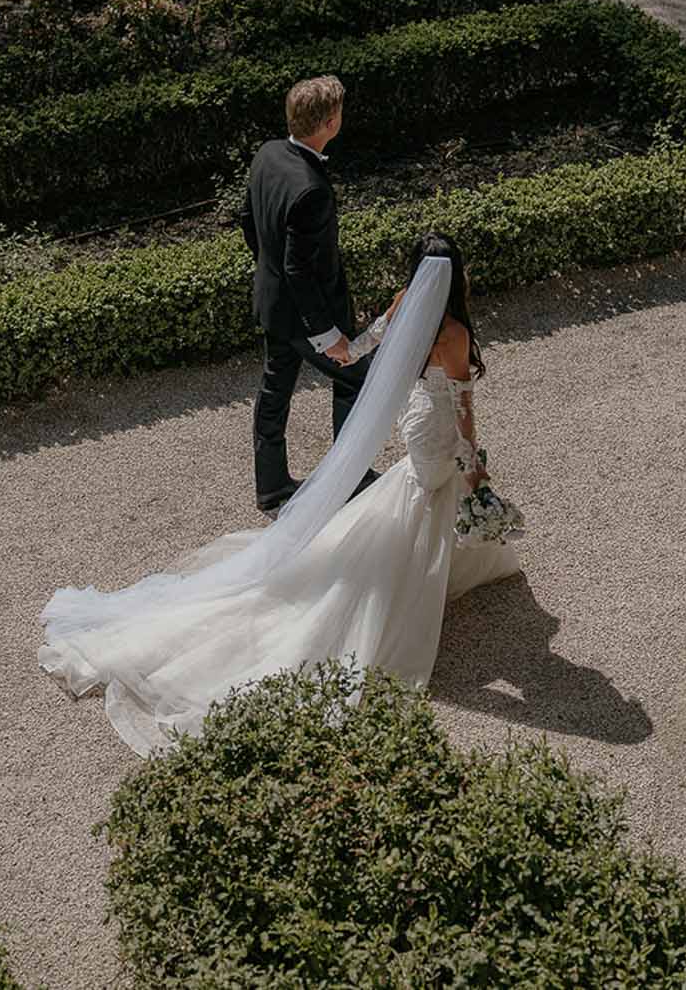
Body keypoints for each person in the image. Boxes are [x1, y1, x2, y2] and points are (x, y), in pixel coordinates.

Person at [39, 233, 520, 757]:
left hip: (418, 423)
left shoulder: (407, 303)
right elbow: (464, 408)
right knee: (429, 492)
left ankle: (420, 570)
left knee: (414, 498)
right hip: (435, 426)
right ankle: (398, 590)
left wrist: (336, 347)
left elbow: (364, 344)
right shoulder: (451, 330)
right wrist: (476, 467)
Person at [240, 74, 367, 513]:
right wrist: (326, 333)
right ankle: (351, 477)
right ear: (330, 123)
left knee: (274, 391)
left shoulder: (268, 153)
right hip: (303, 315)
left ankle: (271, 487)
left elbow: (248, 222)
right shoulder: (312, 190)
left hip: (272, 305)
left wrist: (267, 268)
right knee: (355, 379)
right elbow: (300, 270)